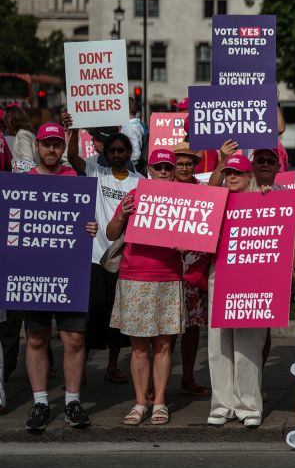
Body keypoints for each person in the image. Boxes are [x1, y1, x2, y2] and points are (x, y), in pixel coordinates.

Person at [22, 123, 98, 432]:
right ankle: (40, 402)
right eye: (47, 144)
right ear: (37, 147)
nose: (52, 149)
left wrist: (89, 227)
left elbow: (86, 222)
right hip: (34, 274)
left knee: (74, 338)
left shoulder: (76, 180)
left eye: (57, 144)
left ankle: (71, 401)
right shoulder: (22, 183)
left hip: (70, 273)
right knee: (37, 338)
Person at [106, 149, 185, 426]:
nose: (163, 171)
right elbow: (111, 234)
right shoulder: (133, 196)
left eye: (168, 167)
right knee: (138, 348)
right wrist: (121, 217)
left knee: (163, 346)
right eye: (158, 167)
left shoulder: (184, 201)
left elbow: (197, 236)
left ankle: (160, 401)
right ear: (148, 169)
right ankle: (140, 403)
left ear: (174, 171)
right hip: (134, 277)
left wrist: (186, 244)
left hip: (167, 276)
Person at [65, 114, 142, 385]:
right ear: (106, 153)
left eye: (122, 150)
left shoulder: (139, 182)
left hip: (124, 260)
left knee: (117, 318)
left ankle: (112, 366)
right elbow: (72, 157)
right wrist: (72, 130)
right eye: (112, 150)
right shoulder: (95, 172)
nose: (117, 154)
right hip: (95, 256)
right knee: (91, 314)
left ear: (129, 152)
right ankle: (80, 369)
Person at [206, 155, 269, 428]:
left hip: (250, 274)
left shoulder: (263, 199)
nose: (232, 177)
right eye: (228, 172)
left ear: (249, 175)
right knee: (218, 341)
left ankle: (248, 405)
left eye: (238, 173)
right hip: (219, 271)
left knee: (247, 343)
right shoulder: (215, 199)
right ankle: (222, 405)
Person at [172, 142, 210, 397]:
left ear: (196, 166)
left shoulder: (204, 190)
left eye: (189, 163)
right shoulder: (161, 190)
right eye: (180, 163)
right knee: (166, 329)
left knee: (193, 327)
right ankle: (156, 383)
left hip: (194, 269)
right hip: (167, 268)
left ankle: (187, 376)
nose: (184, 167)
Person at [5, 104, 37, 172]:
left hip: (24, 179)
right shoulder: (27, 132)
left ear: (10, 120)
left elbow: (28, 162)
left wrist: (14, 167)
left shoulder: (23, 134)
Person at [121, 96, 144, 168]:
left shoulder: (130, 127)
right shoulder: (136, 124)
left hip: (131, 166)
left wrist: (129, 165)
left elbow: (136, 152)